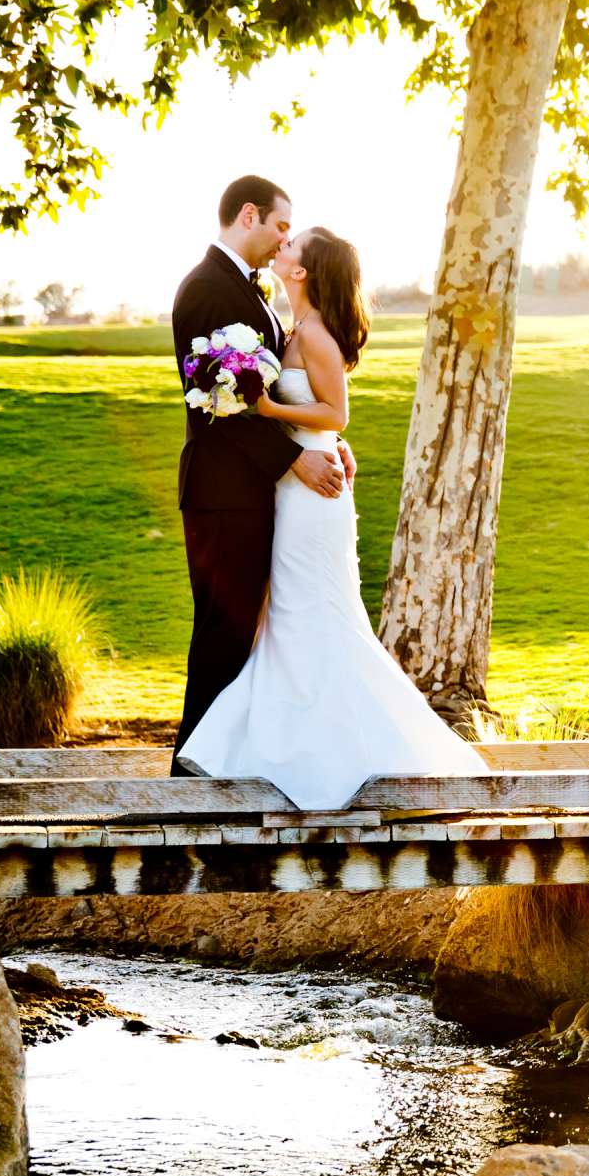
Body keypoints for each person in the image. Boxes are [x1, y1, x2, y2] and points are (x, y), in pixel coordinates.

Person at [175, 225, 486, 807]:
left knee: (315, 613)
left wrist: (263, 404)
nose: (283, 245)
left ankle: (355, 754)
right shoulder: (289, 327)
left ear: (302, 271)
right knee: (290, 618)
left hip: (312, 494)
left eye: (294, 245)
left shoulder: (313, 332)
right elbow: (314, 417)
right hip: (294, 485)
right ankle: (283, 754)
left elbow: (334, 412)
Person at [168, 174, 351, 765]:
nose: (283, 241)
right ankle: (194, 775)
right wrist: (296, 455)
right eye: (280, 227)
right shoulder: (205, 289)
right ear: (249, 215)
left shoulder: (256, 295)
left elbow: (271, 394)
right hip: (223, 492)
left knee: (249, 637)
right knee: (223, 636)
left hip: (255, 492)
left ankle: (232, 766)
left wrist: (321, 439)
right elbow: (220, 404)